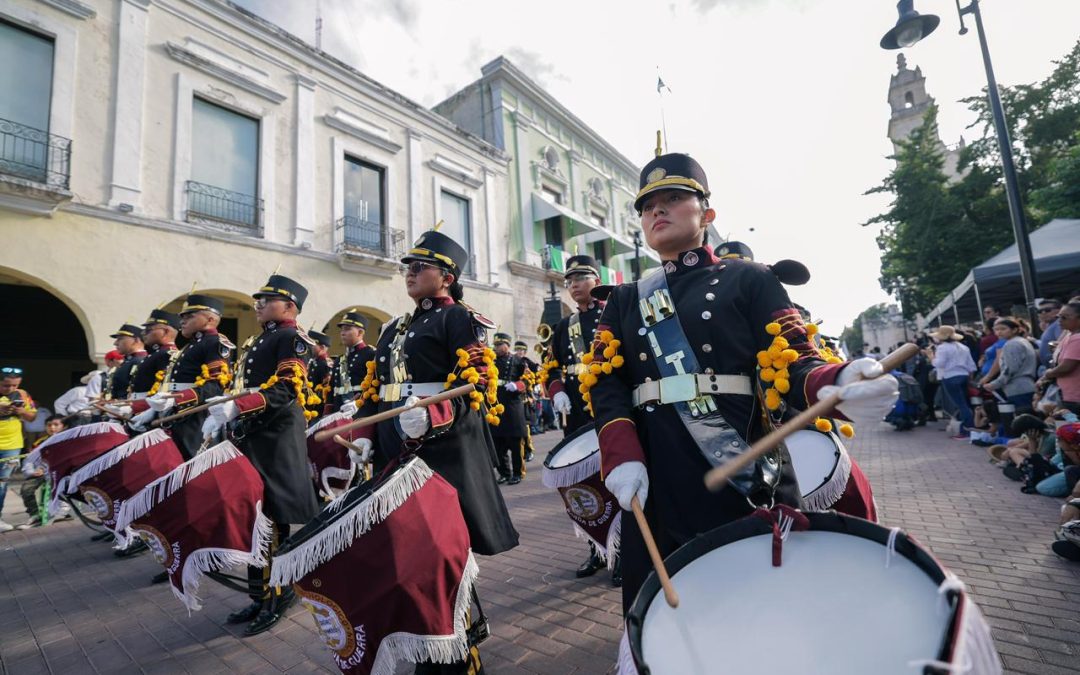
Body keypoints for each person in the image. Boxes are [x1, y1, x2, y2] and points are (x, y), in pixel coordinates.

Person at [588, 149, 899, 613]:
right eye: (648, 206)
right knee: (663, 615)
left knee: (760, 607)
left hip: (744, 468)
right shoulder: (627, 300)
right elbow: (605, 385)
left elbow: (792, 358)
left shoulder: (749, 279)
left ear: (707, 214)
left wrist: (837, 380)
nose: (657, 211)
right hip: (656, 472)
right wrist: (621, 456)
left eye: (673, 199)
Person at [349, 228, 519, 674]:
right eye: (407, 266)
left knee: (442, 549)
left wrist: (435, 413)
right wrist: (366, 430)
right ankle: (429, 633)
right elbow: (376, 385)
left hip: (440, 447)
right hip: (394, 443)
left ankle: (460, 648)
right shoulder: (395, 327)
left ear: (445, 277)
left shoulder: (459, 318)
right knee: (408, 548)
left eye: (419, 266)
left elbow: (477, 381)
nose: (409, 273)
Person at [202, 274, 321, 636]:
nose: (258, 304)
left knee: (273, 516)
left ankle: (281, 592)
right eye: (257, 300)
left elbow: (287, 388)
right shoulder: (260, 339)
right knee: (256, 516)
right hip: (253, 432)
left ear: (290, 307)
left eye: (267, 300)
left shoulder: (293, 338)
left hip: (275, 434)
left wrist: (240, 407)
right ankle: (259, 593)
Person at [127, 294, 235, 460]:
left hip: (196, 418)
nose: (182, 321)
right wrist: (153, 410)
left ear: (210, 319)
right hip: (175, 415)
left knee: (191, 468)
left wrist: (177, 399)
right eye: (181, 317)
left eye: (189, 316)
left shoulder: (215, 343)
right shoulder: (189, 347)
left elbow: (215, 386)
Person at [0, 367, 37, 533]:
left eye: (14, 385)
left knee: (2, 484)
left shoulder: (22, 394)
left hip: (12, 446)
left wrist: (21, 411)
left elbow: (32, 416)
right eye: (6, 385)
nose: (11, 389)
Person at [17, 414, 66, 529]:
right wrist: (32, 471)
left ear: (63, 426)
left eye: (56, 425)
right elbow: (29, 460)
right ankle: (35, 515)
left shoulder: (69, 440)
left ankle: (62, 508)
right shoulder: (39, 443)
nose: (52, 428)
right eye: (49, 425)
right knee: (26, 488)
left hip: (62, 473)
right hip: (42, 473)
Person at [491, 332, 528, 485]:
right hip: (496, 402)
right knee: (498, 442)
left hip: (513, 404)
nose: (497, 348)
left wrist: (517, 385)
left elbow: (529, 380)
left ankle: (518, 473)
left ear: (507, 345)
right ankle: (504, 473)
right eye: (495, 345)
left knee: (514, 441)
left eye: (499, 345)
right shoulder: (490, 361)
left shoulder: (518, 361)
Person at [928, 325, 977, 439]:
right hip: (964, 376)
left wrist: (930, 356)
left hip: (950, 376)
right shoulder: (963, 347)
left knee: (961, 405)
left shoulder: (943, 348)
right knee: (965, 403)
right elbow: (971, 365)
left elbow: (939, 364)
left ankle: (966, 431)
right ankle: (968, 428)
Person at [983, 317, 1038, 417]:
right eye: (996, 329)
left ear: (1014, 330)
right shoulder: (1021, 341)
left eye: (1003, 329)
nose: (999, 332)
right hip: (1025, 385)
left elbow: (1010, 370)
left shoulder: (1012, 344)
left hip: (1018, 387)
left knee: (1024, 419)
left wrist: (994, 384)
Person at [326, 310, 376, 415]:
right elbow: (331, 391)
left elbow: (375, 386)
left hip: (360, 411)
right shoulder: (340, 360)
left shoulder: (370, 354)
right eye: (342, 330)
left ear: (360, 332)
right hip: (338, 412)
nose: (342, 333)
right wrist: (327, 413)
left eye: (347, 329)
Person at [1040, 301, 1080, 414]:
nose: (1059, 320)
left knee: (1071, 429)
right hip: (1067, 395)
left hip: (1075, 398)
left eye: (1064, 317)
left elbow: (1066, 367)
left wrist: (1048, 374)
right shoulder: (1069, 335)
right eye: (1058, 317)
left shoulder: (1077, 338)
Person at [105, 324, 147, 402]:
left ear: (136, 340)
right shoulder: (129, 361)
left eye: (120, 339)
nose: (115, 343)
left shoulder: (141, 361)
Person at [514, 339, 540, 459]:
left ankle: (529, 450)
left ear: (524, 352)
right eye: (518, 349)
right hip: (514, 397)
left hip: (525, 398)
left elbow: (536, 376)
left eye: (521, 350)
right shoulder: (512, 360)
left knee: (525, 427)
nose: (519, 352)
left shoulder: (528, 362)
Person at [307, 329, 333, 419]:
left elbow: (325, 390)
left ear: (322, 347)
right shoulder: (313, 361)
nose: (309, 346)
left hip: (317, 409)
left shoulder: (325, 364)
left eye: (312, 344)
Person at [1038, 300, 1063, 369]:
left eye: (1047, 310)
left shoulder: (1059, 324)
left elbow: (1061, 346)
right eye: (1040, 311)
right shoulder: (1051, 325)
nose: (1043, 313)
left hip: (1057, 368)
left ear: (1058, 310)